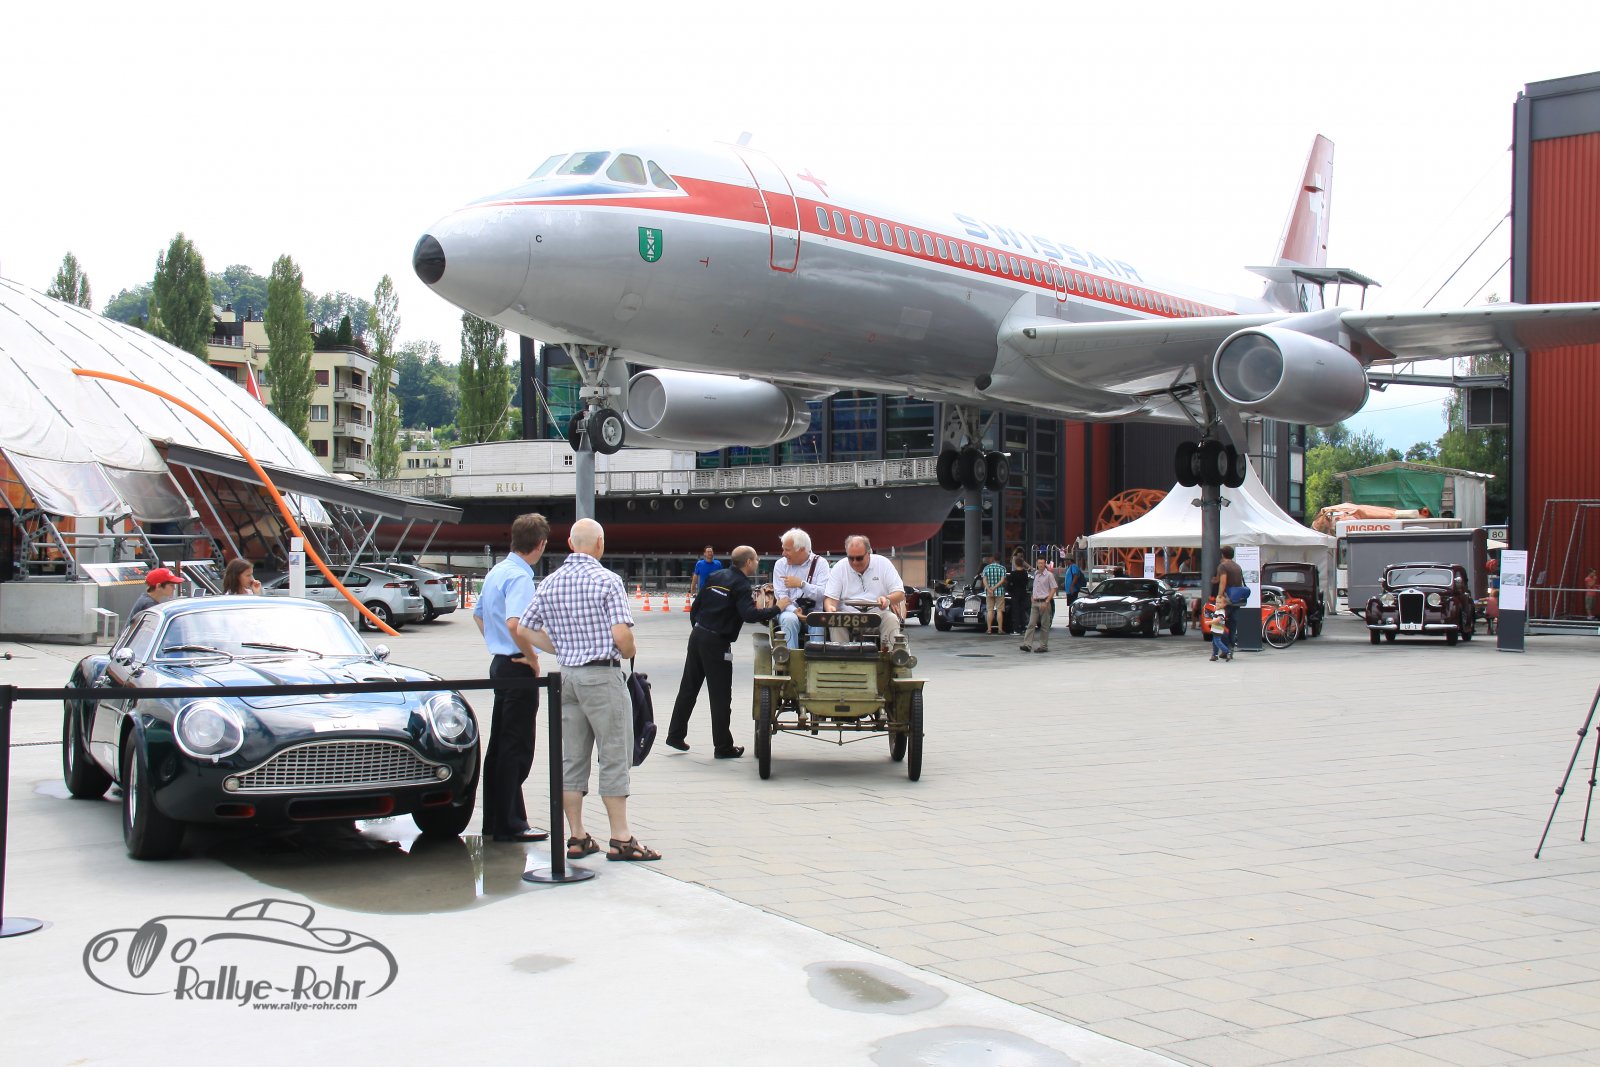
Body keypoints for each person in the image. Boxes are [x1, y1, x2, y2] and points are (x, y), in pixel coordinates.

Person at [519, 518, 658, 863]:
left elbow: (524, 628)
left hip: (567, 678)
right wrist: (629, 651)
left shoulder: (549, 582)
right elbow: (622, 636)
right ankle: (621, 839)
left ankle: (577, 836)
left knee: (572, 758)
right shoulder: (607, 580)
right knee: (614, 755)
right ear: (600, 544)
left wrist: (561, 648)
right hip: (602, 676)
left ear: (570, 543)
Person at [472, 513, 550, 844]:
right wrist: (531, 657)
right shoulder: (520, 578)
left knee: (500, 746)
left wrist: (498, 644)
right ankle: (511, 823)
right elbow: (517, 624)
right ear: (541, 544)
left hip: (500, 663)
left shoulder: (497, 571)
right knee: (516, 747)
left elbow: (478, 615)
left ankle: (495, 820)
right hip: (517, 667)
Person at [666, 545, 781, 758]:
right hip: (717, 642)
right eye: (756, 559)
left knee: (688, 688)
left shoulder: (716, 576)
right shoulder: (741, 584)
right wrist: (777, 608)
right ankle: (723, 747)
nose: (757, 563)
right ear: (749, 562)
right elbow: (749, 615)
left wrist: (700, 629)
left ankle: (675, 735)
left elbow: (696, 607)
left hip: (698, 635)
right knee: (720, 695)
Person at [824, 534, 905, 645]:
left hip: (877, 615)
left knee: (891, 619)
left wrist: (887, 599)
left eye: (859, 558)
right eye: (851, 558)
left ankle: (890, 653)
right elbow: (830, 598)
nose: (855, 562)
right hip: (847, 617)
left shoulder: (883, 563)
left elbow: (900, 593)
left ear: (869, 553)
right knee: (835, 621)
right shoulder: (839, 567)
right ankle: (841, 653)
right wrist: (830, 608)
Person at [771, 527, 831, 650]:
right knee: (789, 620)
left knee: (818, 621)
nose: (783, 554)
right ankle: (790, 659)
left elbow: (823, 594)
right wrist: (795, 611)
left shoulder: (821, 563)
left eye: (787, 550)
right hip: (789, 611)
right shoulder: (780, 564)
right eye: (783, 549)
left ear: (802, 549)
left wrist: (802, 584)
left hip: (814, 612)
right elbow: (781, 596)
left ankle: (816, 657)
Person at [1213, 545, 1247, 655]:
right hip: (1236, 600)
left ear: (1223, 554)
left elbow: (1223, 582)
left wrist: (1219, 596)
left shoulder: (1223, 566)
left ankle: (1223, 649)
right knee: (1232, 626)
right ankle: (1231, 648)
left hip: (1226, 600)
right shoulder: (1237, 566)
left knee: (1219, 625)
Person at [1020, 554, 1055, 653]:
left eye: (1042, 563)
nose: (1040, 565)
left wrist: (1047, 601)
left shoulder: (1049, 575)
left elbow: (1054, 588)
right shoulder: (1036, 574)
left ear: (1045, 564)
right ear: (1036, 563)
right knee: (1031, 624)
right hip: (1035, 602)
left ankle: (1043, 646)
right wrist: (1032, 596)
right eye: (1039, 563)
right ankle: (1027, 644)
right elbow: (1035, 586)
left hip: (1044, 602)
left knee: (1044, 625)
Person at [979, 553, 1006, 634]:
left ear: (993, 558)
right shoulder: (1002, 568)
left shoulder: (986, 568)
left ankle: (989, 629)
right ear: (1000, 559)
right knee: (999, 610)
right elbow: (1002, 580)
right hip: (999, 591)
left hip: (989, 592)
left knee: (990, 610)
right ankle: (1000, 629)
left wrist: (989, 589)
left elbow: (984, 580)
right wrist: (994, 588)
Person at [1005, 554, 1031, 634]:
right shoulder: (1025, 573)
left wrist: (1010, 591)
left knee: (1015, 611)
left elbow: (1009, 585)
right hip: (1023, 593)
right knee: (1022, 610)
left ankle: (1016, 629)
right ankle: (1023, 627)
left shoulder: (1013, 574)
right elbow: (1026, 583)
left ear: (1015, 564)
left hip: (1015, 594)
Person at [1206, 596, 1232, 662]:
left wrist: (1210, 622)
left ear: (1224, 604)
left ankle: (1227, 652)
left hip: (1218, 630)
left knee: (1217, 642)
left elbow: (1218, 620)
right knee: (1214, 642)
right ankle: (1215, 655)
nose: (1217, 604)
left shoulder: (1221, 612)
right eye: (1217, 602)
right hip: (1215, 629)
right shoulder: (1217, 611)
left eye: (1220, 602)